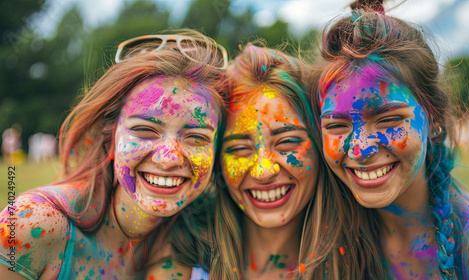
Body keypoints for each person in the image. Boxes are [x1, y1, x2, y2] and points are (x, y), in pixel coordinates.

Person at [0, 30, 227, 279]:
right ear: (111, 137)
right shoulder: (30, 223)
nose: (168, 157)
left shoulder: (207, 238)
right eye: (145, 130)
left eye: (197, 138)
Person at [310, 1, 469, 279]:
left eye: (388, 119)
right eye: (337, 125)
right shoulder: (332, 245)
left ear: (433, 119)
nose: (360, 148)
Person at [210, 43, 338, 279]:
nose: (263, 171)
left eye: (287, 142)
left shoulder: (372, 263)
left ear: (321, 145)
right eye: (239, 148)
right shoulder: (183, 265)